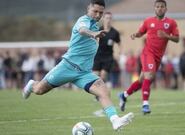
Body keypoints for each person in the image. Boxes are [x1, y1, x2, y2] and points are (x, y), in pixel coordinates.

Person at [22, 0, 133, 131]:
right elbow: (82, 30)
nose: (98, 15)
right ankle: (31, 85)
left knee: (104, 91)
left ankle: (115, 120)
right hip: (67, 67)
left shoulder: (96, 26)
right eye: (95, 11)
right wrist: (93, 34)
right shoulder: (83, 21)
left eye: (100, 13)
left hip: (84, 73)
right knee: (39, 90)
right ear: (88, 9)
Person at [119, 0, 179, 114]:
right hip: (147, 53)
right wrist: (135, 35)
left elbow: (177, 38)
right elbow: (141, 32)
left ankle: (124, 95)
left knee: (143, 81)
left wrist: (166, 36)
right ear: (154, 8)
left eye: (162, 6)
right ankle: (145, 105)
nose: (159, 8)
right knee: (150, 75)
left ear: (166, 9)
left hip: (158, 57)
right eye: (157, 6)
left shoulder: (171, 23)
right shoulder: (148, 21)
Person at [92, 11, 121, 117]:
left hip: (108, 58)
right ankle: (98, 93)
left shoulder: (115, 33)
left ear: (111, 19)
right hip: (97, 56)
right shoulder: (98, 30)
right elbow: (92, 39)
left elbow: (119, 43)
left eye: (110, 18)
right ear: (103, 19)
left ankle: (101, 95)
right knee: (95, 76)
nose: (108, 20)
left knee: (103, 75)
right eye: (107, 18)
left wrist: (119, 53)